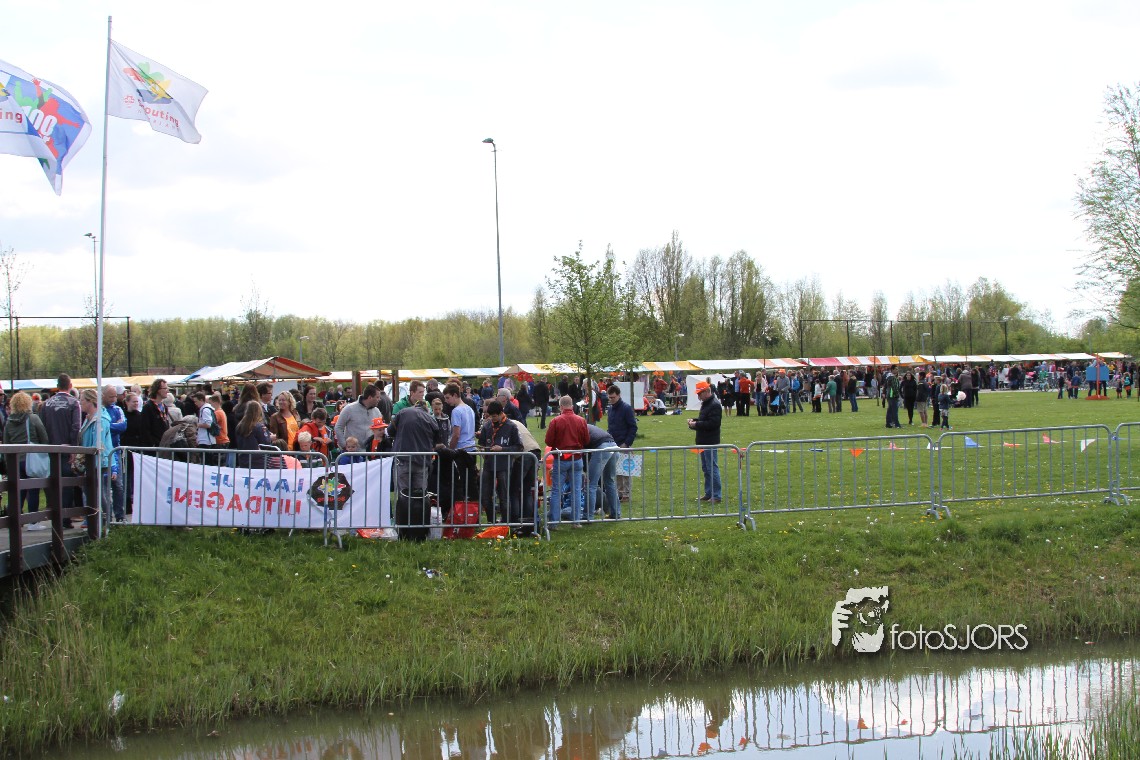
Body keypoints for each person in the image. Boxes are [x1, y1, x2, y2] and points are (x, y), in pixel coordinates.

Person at [389, 399, 438, 541]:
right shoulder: (430, 418)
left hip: (403, 459)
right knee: (420, 496)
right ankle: (420, 531)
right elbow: (437, 439)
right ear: (426, 409)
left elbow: (390, 431)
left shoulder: (403, 412)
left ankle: (402, 530)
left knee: (403, 495)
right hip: (422, 461)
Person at [3, 391, 49, 527]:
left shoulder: (9, 422)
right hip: (32, 458)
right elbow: (44, 438)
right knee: (33, 490)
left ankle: (15, 522)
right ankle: (33, 522)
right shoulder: (33, 418)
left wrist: (7, 464)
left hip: (15, 461)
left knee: (18, 491)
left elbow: (6, 443)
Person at [545, 395, 589, 527]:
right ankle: (576, 521)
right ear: (572, 406)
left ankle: (554, 523)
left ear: (561, 407)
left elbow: (548, 441)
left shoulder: (555, 421)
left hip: (561, 458)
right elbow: (586, 440)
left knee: (556, 491)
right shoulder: (581, 420)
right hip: (577, 458)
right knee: (577, 490)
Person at [477, 400, 523, 525]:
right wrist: (482, 449)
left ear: (501, 413)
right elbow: (481, 443)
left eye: (494, 416)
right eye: (491, 416)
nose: (492, 419)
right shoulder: (487, 426)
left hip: (504, 465)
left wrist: (502, 449)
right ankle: (491, 522)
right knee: (485, 496)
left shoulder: (511, 426)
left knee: (504, 497)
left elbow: (519, 447)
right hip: (488, 465)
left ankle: (505, 523)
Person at [78, 388, 115, 524]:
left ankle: (106, 521)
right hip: (90, 460)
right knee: (91, 491)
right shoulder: (89, 419)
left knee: (99, 492)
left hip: (99, 460)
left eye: (82, 400)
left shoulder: (100, 420)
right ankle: (96, 520)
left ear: (90, 401)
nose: (80, 403)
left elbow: (97, 444)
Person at [687, 381, 722, 503]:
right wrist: (694, 421)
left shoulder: (714, 404)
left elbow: (713, 423)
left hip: (710, 441)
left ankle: (716, 495)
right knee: (706, 468)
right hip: (703, 441)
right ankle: (709, 493)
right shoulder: (707, 404)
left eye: (700, 393)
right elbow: (705, 420)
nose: (699, 396)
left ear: (707, 391)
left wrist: (696, 424)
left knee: (712, 468)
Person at [606, 385, 637, 505]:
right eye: (609, 398)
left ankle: (626, 493)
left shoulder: (626, 408)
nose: (611, 400)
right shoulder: (610, 409)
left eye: (613, 397)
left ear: (618, 395)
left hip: (624, 443)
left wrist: (627, 443)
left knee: (625, 469)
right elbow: (610, 427)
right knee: (616, 470)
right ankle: (619, 493)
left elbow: (633, 427)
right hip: (613, 443)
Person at [585, 423, 620, 520]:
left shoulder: (579, 428)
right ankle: (616, 513)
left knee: (591, 484)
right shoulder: (589, 426)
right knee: (610, 481)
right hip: (614, 446)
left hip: (602, 448)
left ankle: (588, 516)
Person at [334, 384, 381, 449]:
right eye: (377, 397)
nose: (379, 399)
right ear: (370, 397)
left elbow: (380, 430)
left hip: (371, 451)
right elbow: (338, 427)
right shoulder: (349, 408)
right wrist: (344, 445)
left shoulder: (377, 411)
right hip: (352, 452)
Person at [232, 401, 273, 467]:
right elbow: (265, 444)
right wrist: (270, 437)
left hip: (243, 460)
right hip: (258, 461)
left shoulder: (239, 426)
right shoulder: (259, 427)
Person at [139, 377, 171, 448]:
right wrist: (152, 444)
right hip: (154, 448)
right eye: (165, 388)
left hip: (164, 445)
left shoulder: (164, 407)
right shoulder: (148, 407)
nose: (167, 391)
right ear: (158, 390)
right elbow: (144, 429)